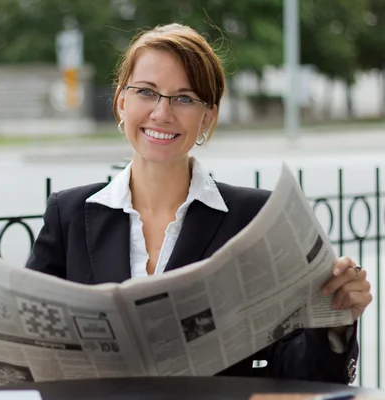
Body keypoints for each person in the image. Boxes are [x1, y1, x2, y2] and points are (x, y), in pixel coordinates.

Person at [25, 23, 372, 383]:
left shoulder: (257, 218)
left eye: (184, 98)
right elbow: (28, 347)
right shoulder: (68, 214)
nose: (162, 112)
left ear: (207, 116)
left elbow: (299, 375)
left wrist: (335, 324)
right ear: (121, 103)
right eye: (146, 92)